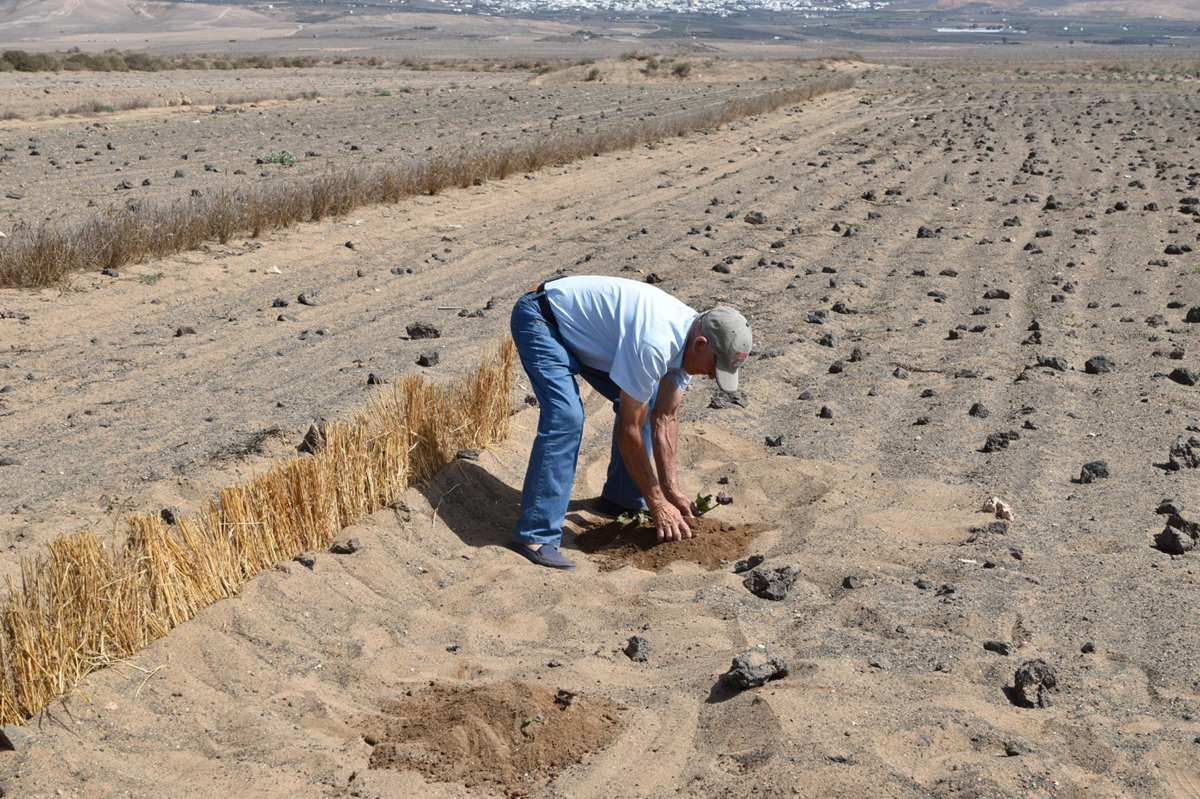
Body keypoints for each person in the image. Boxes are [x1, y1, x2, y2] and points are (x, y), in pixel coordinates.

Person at [508, 275, 752, 571]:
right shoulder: (657, 341)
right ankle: (534, 535)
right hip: (543, 319)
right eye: (715, 367)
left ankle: (620, 498)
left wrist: (670, 490)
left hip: (591, 339)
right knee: (566, 417)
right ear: (701, 344)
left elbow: (665, 416)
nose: (713, 377)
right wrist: (657, 502)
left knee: (644, 405)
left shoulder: (691, 341)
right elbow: (629, 431)